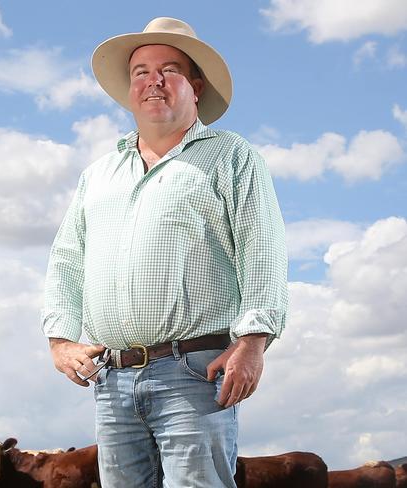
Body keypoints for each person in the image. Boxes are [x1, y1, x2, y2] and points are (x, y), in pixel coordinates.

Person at [41, 17, 287, 488]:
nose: (153, 80)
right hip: (110, 379)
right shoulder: (99, 174)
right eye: (140, 71)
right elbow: (67, 258)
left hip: (195, 373)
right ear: (129, 88)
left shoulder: (232, 157)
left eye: (169, 69)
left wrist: (254, 340)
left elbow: (263, 250)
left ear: (195, 87)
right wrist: (59, 339)